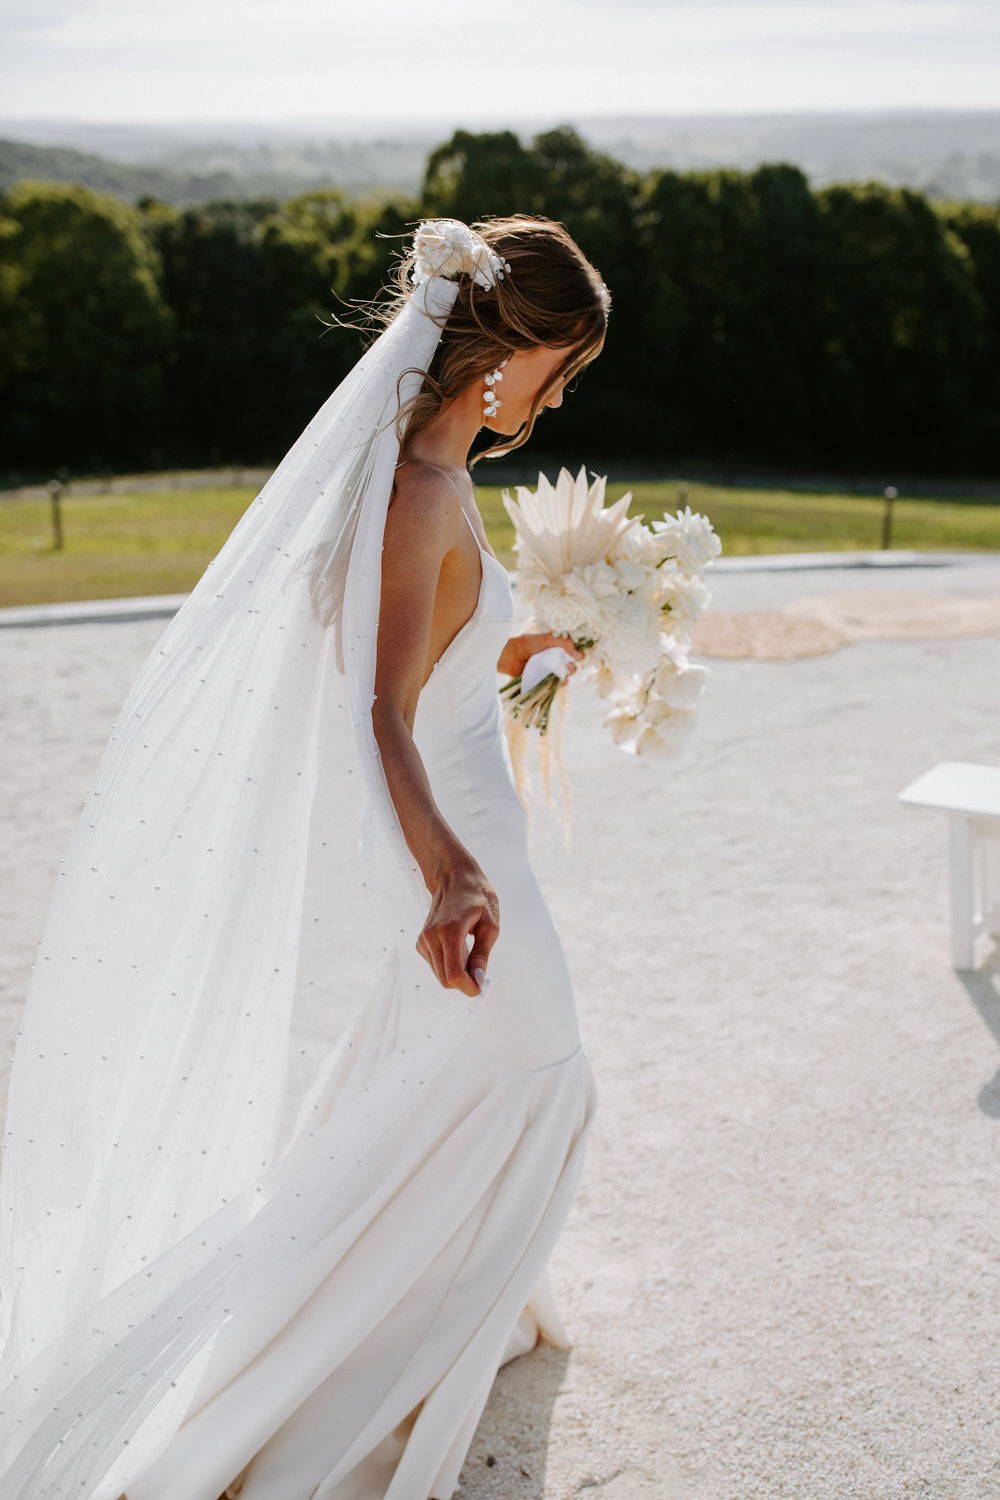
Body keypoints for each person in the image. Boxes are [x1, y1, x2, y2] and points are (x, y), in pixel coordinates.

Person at [0, 214, 610, 1500]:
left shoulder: (434, 481)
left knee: (489, 1079)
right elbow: (376, 710)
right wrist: (448, 871)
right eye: (559, 370)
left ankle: (450, 1308)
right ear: (504, 352)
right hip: (455, 842)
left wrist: (531, 658)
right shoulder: (421, 493)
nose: (555, 401)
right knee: (540, 1068)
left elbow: (432, 671)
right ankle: (302, 1360)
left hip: (465, 820)